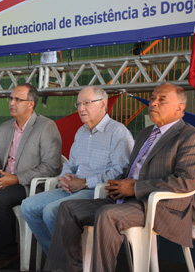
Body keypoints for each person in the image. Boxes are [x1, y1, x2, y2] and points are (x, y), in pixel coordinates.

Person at [44, 83, 195, 272]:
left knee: (107, 215)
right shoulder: (146, 133)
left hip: (161, 207)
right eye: (153, 98)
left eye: (161, 100)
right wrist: (118, 183)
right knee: (67, 209)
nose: (153, 103)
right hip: (125, 199)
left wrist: (136, 188)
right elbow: (131, 170)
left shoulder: (192, 137)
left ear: (180, 108)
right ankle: (66, 269)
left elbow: (187, 182)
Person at [20, 86, 134, 255]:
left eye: (87, 103)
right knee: (27, 206)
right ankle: (58, 257)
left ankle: (71, 262)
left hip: (97, 191)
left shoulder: (118, 132)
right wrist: (65, 177)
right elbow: (70, 163)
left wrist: (85, 182)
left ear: (103, 104)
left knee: (51, 211)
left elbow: (121, 171)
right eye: (79, 104)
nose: (81, 109)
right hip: (72, 188)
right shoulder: (81, 132)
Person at [0, 83, 62, 270]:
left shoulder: (46, 126)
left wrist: (16, 178)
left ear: (31, 104)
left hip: (28, 183)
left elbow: (51, 167)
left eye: (17, 99)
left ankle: (8, 254)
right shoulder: (5, 127)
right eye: (11, 98)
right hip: (2, 179)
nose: (12, 103)